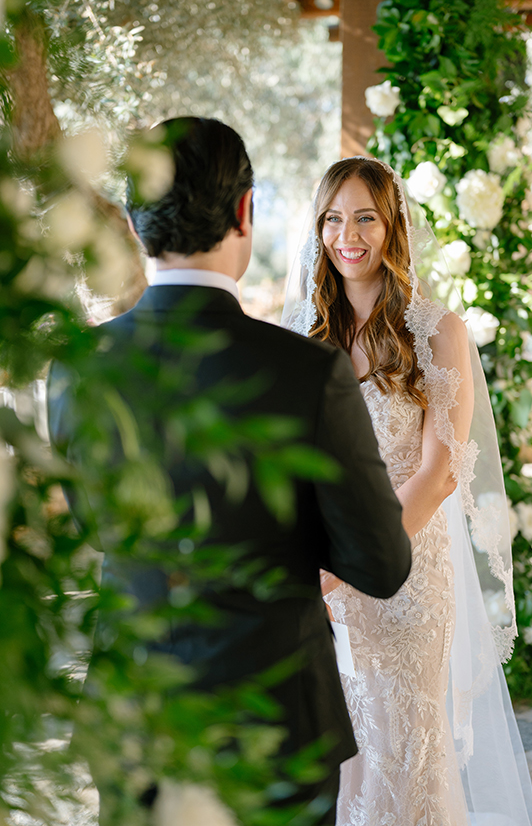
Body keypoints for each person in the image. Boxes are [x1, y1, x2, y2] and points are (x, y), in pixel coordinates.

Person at [47, 119, 412, 825]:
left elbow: (94, 526)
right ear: (246, 212)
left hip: (134, 719)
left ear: (132, 219)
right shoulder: (308, 371)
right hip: (279, 724)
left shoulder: (76, 368)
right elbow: (382, 562)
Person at [282, 156, 532, 826]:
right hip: (325, 582)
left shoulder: (436, 333)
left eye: (365, 216)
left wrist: (346, 567)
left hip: (404, 578)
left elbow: (439, 473)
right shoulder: (310, 342)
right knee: (346, 768)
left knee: (405, 755)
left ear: (392, 225)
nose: (348, 234)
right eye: (333, 218)